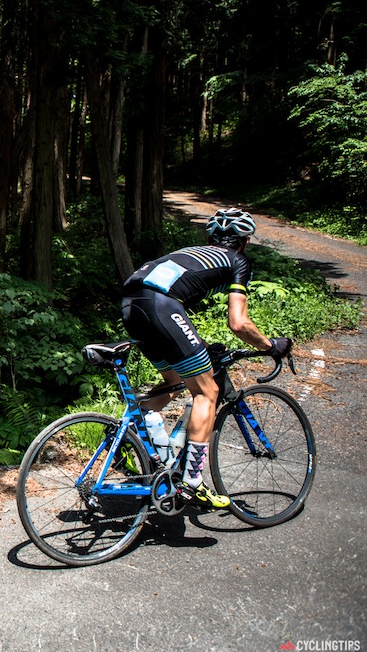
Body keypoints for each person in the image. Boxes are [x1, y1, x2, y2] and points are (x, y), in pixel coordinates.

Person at [120, 207, 292, 508]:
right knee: (207, 391)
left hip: (132, 304)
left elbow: (175, 301)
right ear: (245, 242)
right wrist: (269, 345)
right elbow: (239, 323)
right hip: (160, 307)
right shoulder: (237, 260)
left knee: (173, 381)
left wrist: (199, 344)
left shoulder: (191, 253)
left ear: (211, 238)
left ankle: (139, 439)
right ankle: (192, 482)